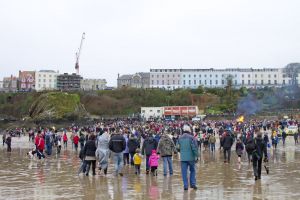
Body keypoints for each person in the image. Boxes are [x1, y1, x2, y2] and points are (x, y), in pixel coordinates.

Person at [177, 125, 198, 191]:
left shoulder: (179, 138)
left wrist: (181, 151)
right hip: (191, 158)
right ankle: (193, 184)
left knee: (184, 172)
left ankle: (185, 186)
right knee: (192, 170)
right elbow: (194, 148)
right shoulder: (192, 138)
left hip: (183, 158)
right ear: (189, 130)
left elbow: (177, 147)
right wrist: (197, 156)